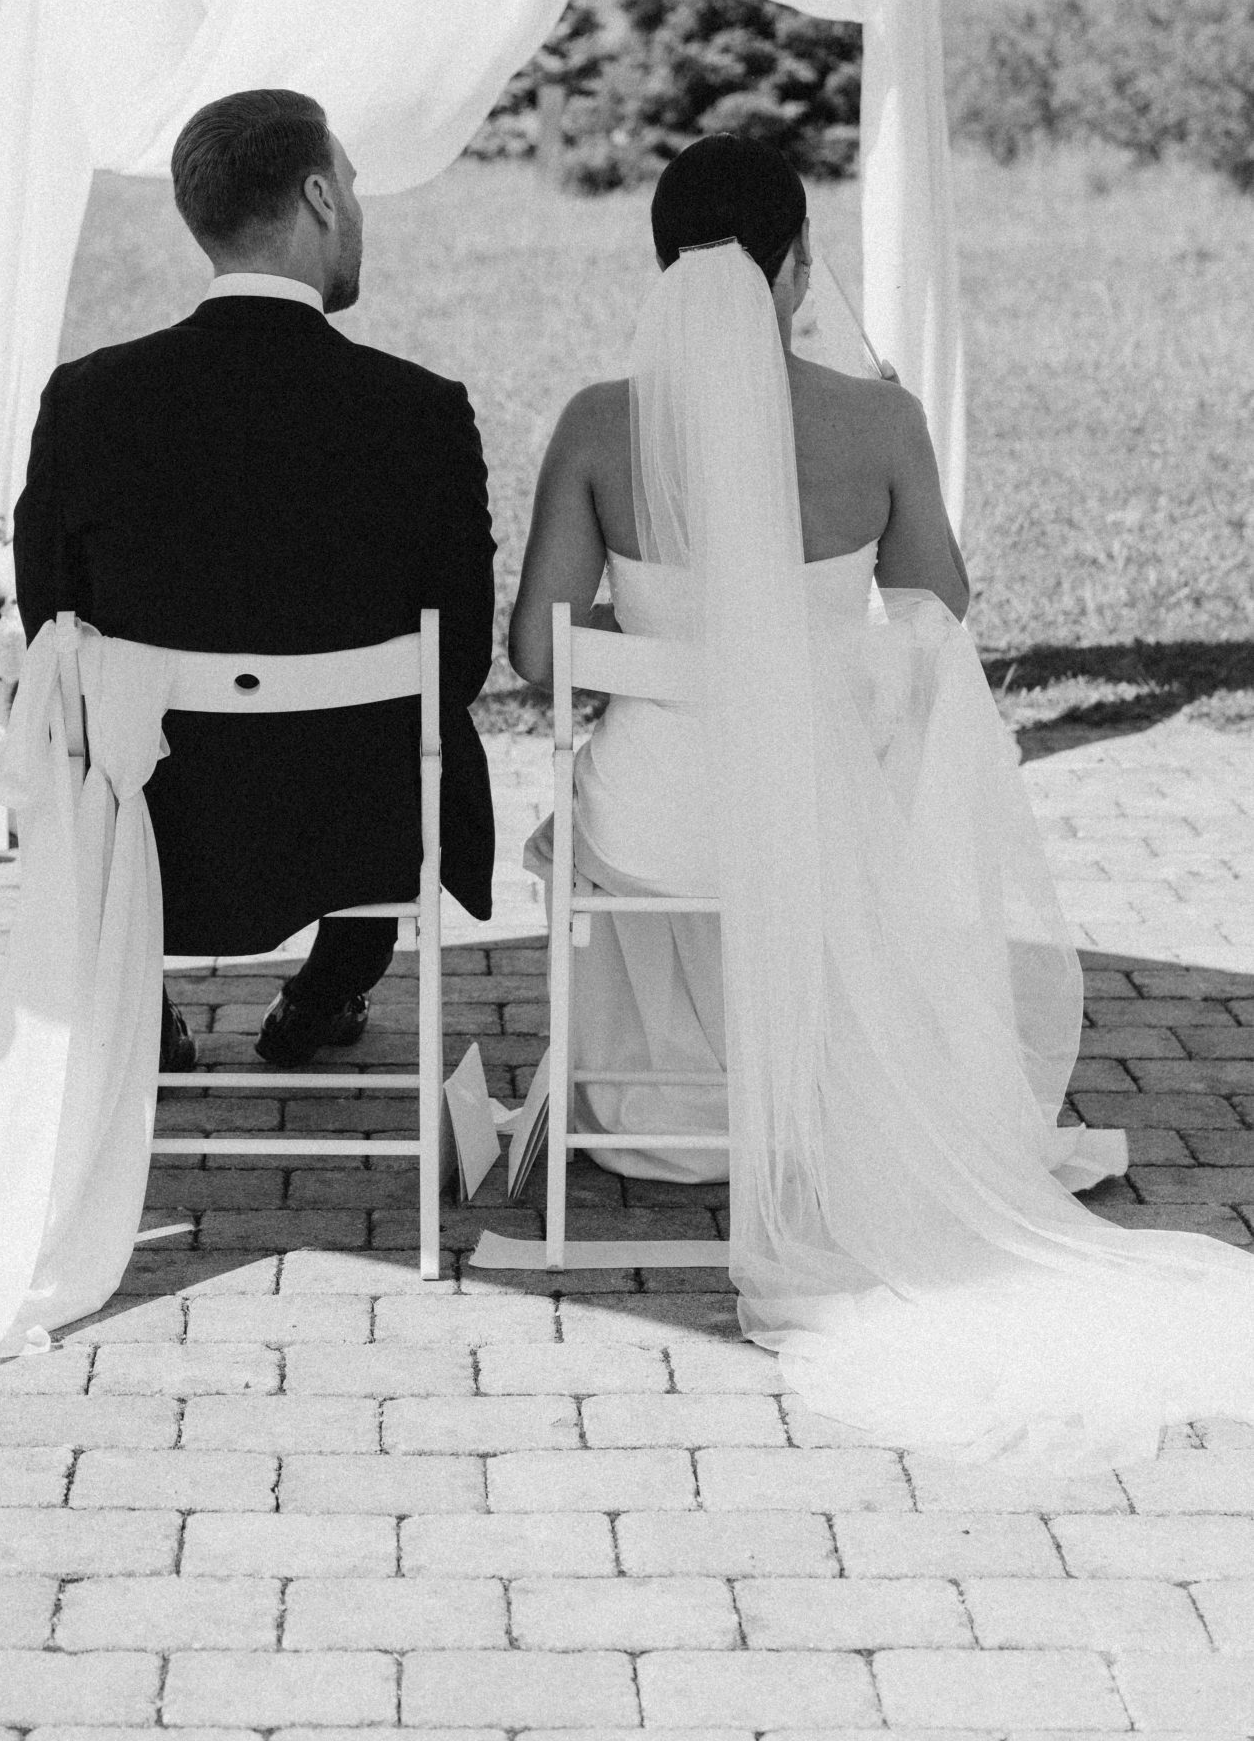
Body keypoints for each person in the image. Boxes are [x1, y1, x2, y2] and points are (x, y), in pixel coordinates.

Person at [505, 133, 1254, 1463]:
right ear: (797, 266)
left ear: (664, 268)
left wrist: (660, 630)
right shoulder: (876, 421)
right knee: (859, 785)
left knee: (595, 819)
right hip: (817, 824)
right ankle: (806, 1088)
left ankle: (664, 1101)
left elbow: (535, 654)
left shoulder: (599, 422)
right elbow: (935, 616)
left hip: (652, 826)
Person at [13, 87, 496, 1072]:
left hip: (158, 827)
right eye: (351, 184)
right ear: (318, 196)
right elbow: (464, 659)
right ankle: (332, 981)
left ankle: (138, 999)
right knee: (418, 726)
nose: (355, 207)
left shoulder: (90, 401)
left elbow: (48, 632)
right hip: (360, 832)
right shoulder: (419, 412)